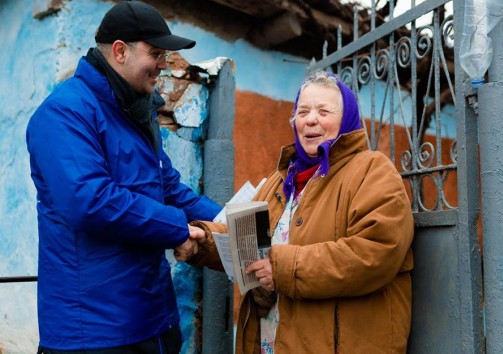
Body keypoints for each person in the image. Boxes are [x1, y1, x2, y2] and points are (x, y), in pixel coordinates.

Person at [26, 1, 219, 353]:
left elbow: (169, 187)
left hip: (151, 319)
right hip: (94, 330)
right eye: (156, 53)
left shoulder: (136, 112)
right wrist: (177, 228)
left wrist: (230, 222)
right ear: (119, 51)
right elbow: (89, 200)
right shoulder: (64, 112)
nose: (164, 65)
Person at [183, 71, 414, 353]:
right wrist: (203, 241)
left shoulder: (372, 171)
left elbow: (377, 252)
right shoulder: (280, 180)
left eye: (323, 111)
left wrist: (281, 268)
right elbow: (249, 241)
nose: (310, 119)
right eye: (302, 111)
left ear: (347, 119)